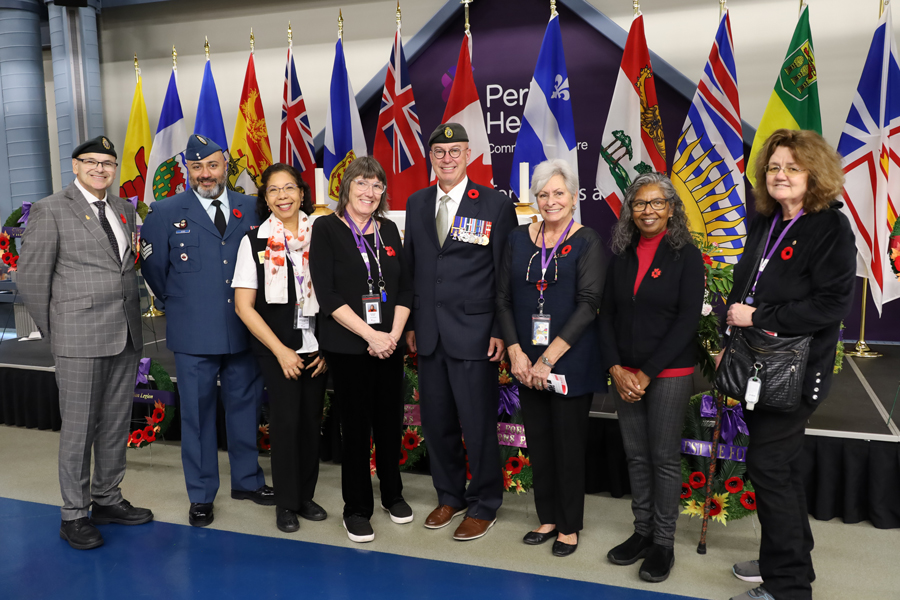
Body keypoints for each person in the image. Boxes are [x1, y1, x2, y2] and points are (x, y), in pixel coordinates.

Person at [722, 129, 855, 600]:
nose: (779, 175)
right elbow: (746, 281)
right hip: (757, 365)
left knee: (769, 467)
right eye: (774, 167)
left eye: (791, 168)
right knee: (785, 469)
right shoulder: (766, 219)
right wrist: (730, 336)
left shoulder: (830, 228)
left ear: (813, 175)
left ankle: (788, 587)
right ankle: (784, 556)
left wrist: (759, 316)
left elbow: (831, 305)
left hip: (795, 374)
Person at [18, 136, 153, 550]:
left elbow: (126, 266)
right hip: (78, 336)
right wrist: (58, 332)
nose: (100, 169)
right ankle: (73, 514)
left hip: (125, 332)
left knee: (114, 424)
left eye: (108, 163)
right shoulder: (51, 209)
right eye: (91, 162)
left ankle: (107, 499)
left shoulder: (125, 208)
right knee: (78, 429)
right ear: (75, 166)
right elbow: (31, 278)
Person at [140, 134, 273, 528]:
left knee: (245, 408)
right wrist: (179, 303)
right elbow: (153, 269)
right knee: (197, 417)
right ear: (188, 170)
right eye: (196, 167)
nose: (205, 174)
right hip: (194, 331)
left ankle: (247, 480)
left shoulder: (252, 207)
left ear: (225, 166)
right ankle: (200, 495)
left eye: (212, 165)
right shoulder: (165, 211)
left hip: (244, 329)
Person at [404, 123, 517, 541]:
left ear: (468, 154)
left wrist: (499, 331)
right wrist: (413, 324)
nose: (447, 158)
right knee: (437, 422)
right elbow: (414, 271)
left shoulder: (493, 204)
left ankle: (485, 502)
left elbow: (503, 276)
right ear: (430, 157)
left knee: (477, 423)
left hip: (475, 335)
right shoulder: (416, 203)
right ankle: (449, 496)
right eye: (439, 152)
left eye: (455, 151)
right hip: (429, 335)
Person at [495, 159, 605, 557]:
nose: (551, 200)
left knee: (568, 444)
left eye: (559, 193)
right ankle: (547, 516)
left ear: (574, 198)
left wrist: (549, 359)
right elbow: (503, 298)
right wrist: (515, 351)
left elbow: (590, 303)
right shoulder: (518, 240)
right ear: (534, 199)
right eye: (544, 194)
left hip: (569, 362)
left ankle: (569, 525)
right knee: (538, 440)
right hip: (524, 360)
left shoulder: (588, 240)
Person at [599, 172, 704, 582]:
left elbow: (686, 322)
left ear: (672, 209)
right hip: (624, 374)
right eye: (640, 204)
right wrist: (615, 368)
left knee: (662, 459)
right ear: (630, 211)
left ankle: (663, 542)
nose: (648, 210)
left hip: (668, 373)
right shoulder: (621, 256)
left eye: (657, 203)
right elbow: (605, 315)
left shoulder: (686, 255)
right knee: (636, 455)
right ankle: (641, 532)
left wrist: (644, 374)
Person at [309, 156, 413, 543]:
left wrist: (393, 335)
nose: (369, 192)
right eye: (362, 184)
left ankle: (393, 495)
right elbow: (328, 294)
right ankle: (356, 509)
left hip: (390, 345)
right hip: (351, 347)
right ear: (346, 188)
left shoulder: (389, 230)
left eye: (376, 185)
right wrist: (371, 335)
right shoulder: (326, 228)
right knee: (355, 431)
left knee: (390, 424)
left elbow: (404, 288)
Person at [233, 164, 329, 533]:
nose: (283, 196)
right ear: (266, 199)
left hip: (317, 348)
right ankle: (286, 504)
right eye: (274, 190)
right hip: (277, 350)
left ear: (303, 194)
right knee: (286, 424)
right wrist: (280, 351)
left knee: (310, 423)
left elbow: (336, 296)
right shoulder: (254, 241)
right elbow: (244, 307)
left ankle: (306, 496)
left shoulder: (322, 235)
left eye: (290, 188)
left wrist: (327, 349)